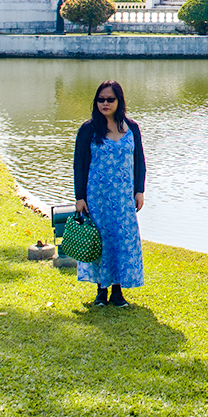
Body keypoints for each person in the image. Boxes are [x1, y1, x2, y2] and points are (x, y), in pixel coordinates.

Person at [72, 80, 145, 307]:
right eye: (100, 99)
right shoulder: (88, 129)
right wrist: (80, 197)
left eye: (110, 99)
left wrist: (139, 190)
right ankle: (101, 291)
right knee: (101, 241)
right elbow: (79, 164)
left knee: (121, 240)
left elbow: (139, 161)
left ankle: (118, 291)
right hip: (97, 197)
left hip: (124, 198)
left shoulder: (131, 127)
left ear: (119, 101)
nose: (105, 103)